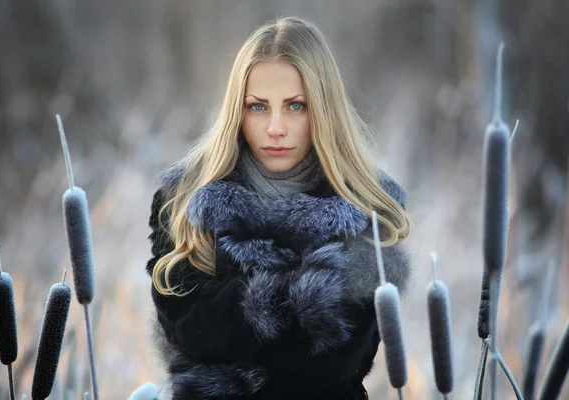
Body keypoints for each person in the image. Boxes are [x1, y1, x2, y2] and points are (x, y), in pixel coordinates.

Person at [145, 16, 412, 400]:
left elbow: (334, 366)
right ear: (238, 110)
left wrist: (234, 325)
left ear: (322, 108)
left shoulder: (364, 206)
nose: (275, 127)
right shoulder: (184, 199)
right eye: (257, 107)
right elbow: (191, 328)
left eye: (295, 106)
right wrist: (305, 297)